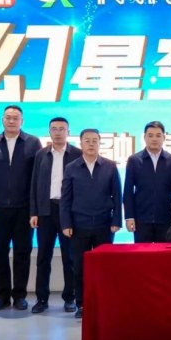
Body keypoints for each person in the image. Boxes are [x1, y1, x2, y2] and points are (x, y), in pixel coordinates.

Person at [0, 105, 42, 311]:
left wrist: (35, 209)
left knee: (23, 253)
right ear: (2, 120)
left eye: (16, 118)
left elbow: (37, 179)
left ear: (22, 121)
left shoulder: (33, 143)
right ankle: (2, 296)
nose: (12, 121)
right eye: (8, 117)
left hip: (24, 209)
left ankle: (20, 296)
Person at [61, 129, 122, 319]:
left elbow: (117, 195)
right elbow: (66, 198)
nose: (91, 144)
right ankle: (81, 304)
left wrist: (116, 220)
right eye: (87, 140)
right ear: (80, 143)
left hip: (104, 224)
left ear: (100, 143)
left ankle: (104, 302)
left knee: (104, 266)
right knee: (79, 267)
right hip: (79, 225)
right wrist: (66, 223)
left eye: (94, 140)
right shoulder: (71, 168)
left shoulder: (110, 166)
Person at [29, 117, 82, 314]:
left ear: (68, 132)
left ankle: (70, 297)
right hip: (45, 211)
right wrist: (34, 211)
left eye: (62, 129)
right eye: (54, 129)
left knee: (70, 257)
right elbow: (34, 184)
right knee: (43, 256)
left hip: (68, 212)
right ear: (49, 132)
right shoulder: (41, 154)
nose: (58, 132)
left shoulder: (77, 154)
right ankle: (41, 299)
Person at [123, 121, 171, 243]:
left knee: (166, 252)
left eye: (158, 135)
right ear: (144, 137)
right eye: (150, 135)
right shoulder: (134, 160)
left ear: (164, 137)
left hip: (166, 218)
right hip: (141, 218)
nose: (154, 139)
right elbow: (128, 191)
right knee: (142, 253)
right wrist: (129, 217)